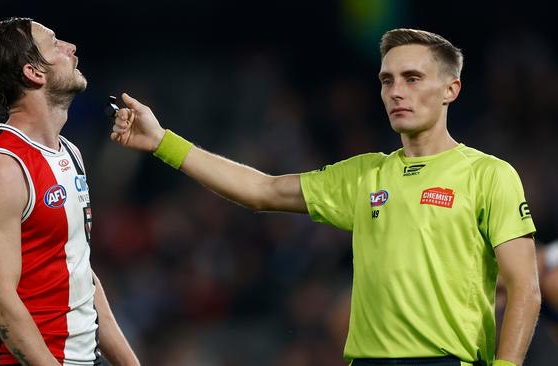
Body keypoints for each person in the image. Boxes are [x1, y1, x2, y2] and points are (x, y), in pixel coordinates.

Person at [109, 29, 540, 366]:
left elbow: (525, 288)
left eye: (413, 78)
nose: (396, 91)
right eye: (387, 80)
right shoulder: (365, 174)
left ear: (451, 90)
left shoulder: (489, 175)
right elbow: (262, 190)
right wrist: (163, 141)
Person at [0, 17, 139, 365]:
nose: (71, 49)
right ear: (33, 72)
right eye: (54, 44)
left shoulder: (70, 153)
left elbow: (78, 270)